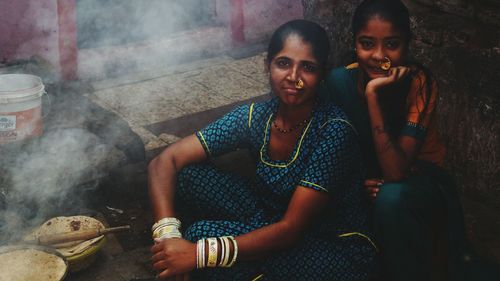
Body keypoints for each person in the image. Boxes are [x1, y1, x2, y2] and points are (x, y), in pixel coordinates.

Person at [148, 19, 377, 281]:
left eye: (308, 68)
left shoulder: (333, 131)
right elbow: (164, 162)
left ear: (322, 74)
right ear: (267, 65)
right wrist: (168, 237)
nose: (293, 77)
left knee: (201, 238)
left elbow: (291, 229)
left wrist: (197, 253)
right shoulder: (256, 117)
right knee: (185, 175)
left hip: (329, 242)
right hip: (268, 218)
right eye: (283, 63)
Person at [321, 0, 469, 280]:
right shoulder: (340, 82)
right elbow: (333, 150)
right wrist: (358, 183)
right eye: (367, 43)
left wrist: (373, 95)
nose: (379, 56)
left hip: (420, 181)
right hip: (366, 181)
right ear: (354, 43)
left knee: (391, 196)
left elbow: (395, 171)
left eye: (391, 44)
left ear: (407, 44)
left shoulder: (419, 83)